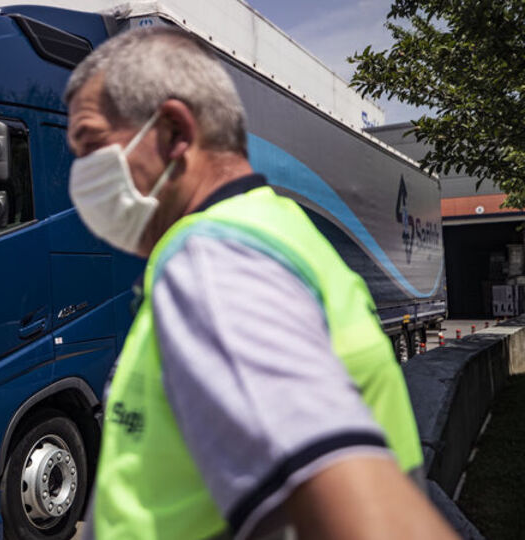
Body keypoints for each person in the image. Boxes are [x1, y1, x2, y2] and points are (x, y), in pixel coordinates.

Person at [64, 26, 456, 539]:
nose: (80, 172)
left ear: (175, 133)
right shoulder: (275, 231)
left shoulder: (213, 263)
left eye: (92, 144)